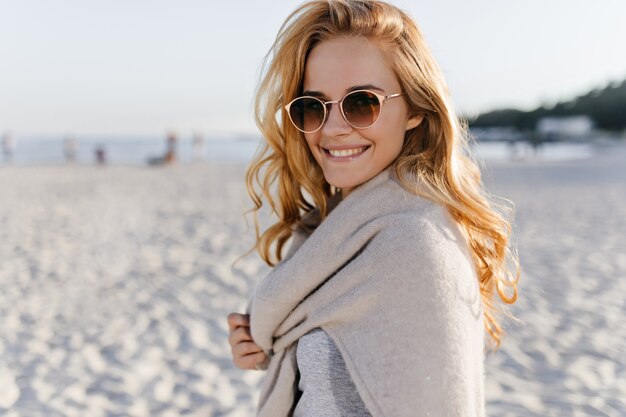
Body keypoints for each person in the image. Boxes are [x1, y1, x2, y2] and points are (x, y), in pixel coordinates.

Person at [227, 1, 519, 416]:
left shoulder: (415, 243)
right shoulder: (334, 227)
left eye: (361, 103)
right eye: (313, 106)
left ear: (415, 109)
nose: (332, 128)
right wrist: (271, 348)